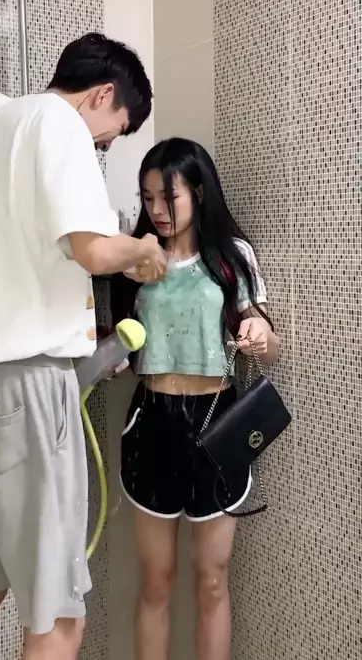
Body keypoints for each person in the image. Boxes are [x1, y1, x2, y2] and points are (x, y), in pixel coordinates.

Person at [0, 33, 166, 660]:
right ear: (102, 95)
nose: (101, 146)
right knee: (58, 617)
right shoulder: (59, 124)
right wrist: (142, 250)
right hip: (25, 393)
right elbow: (93, 250)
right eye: (111, 135)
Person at [110, 137, 279, 660]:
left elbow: (269, 343)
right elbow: (117, 341)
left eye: (169, 197)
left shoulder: (231, 257)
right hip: (153, 420)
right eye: (148, 199)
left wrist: (259, 334)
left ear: (199, 192)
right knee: (156, 582)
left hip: (218, 421)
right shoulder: (134, 258)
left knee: (211, 580)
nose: (157, 210)